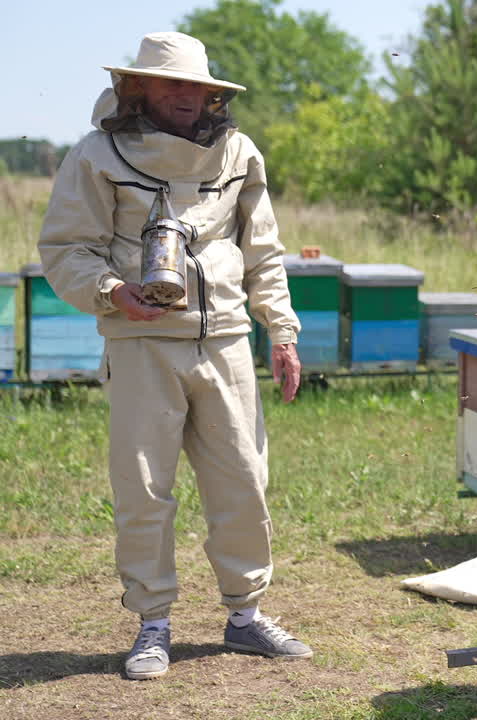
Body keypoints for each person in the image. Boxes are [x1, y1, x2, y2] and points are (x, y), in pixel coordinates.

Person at [38, 31, 311, 680]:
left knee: (243, 484)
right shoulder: (95, 155)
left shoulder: (240, 153)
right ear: (138, 89)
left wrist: (283, 330)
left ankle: (245, 617)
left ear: (213, 93)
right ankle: (152, 624)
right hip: (140, 347)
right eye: (171, 84)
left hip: (226, 345)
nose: (186, 96)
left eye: (196, 85)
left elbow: (263, 251)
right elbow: (65, 248)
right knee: (144, 492)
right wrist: (111, 292)